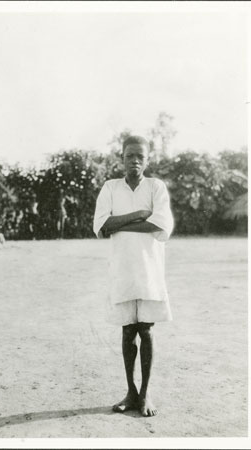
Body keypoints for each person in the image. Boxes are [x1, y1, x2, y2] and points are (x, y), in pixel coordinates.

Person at [93, 135, 174, 417]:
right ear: (122, 158)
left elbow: (160, 225)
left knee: (146, 331)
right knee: (128, 331)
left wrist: (121, 223)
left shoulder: (156, 187)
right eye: (130, 156)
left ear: (148, 160)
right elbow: (102, 226)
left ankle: (146, 394)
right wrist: (139, 214)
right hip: (122, 268)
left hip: (149, 268)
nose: (135, 161)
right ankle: (130, 391)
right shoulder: (110, 187)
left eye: (140, 156)